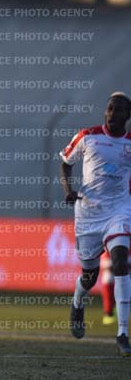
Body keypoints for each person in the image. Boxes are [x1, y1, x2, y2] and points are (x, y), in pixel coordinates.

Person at [61, 91, 131, 356]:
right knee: (89, 277)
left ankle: (122, 333)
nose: (113, 113)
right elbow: (65, 162)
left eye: (119, 109)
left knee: (120, 261)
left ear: (128, 115)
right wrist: (68, 190)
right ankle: (78, 302)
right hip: (89, 213)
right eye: (110, 108)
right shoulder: (88, 136)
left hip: (119, 211)